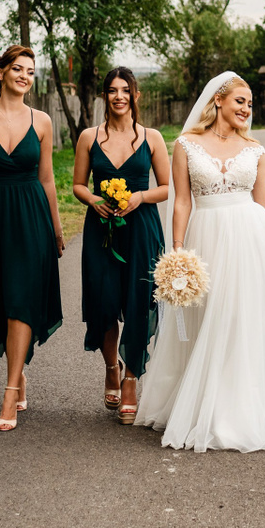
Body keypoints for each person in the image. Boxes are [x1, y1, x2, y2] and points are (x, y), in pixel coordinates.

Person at [134, 72, 265, 452]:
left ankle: (241, 407)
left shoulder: (255, 150)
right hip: (207, 239)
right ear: (218, 100)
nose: (246, 109)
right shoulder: (186, 145)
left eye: (250, 104)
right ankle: (206, 402)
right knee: (211, 318)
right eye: (240, 101)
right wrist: (177, 251)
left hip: (253, 241)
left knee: (241, 319)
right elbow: (182, 201)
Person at [0, 46, 66, 432]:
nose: (24, 76)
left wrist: (56, 229)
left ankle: (8, 392)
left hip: (32, 218)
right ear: (1, 72)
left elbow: (47, 179)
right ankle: (18, 375)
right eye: (17, 69)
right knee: (1, 300)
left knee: (21, 299)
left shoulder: (42, 121)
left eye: (31, 71)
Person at [71, 67, 171, 423]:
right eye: (112, 91)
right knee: (104, 302)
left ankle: (131, 380)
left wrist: (139, 197)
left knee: (138, 302)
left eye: (125, 90)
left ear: (135, 95)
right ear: (105, 96)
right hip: (101, 229)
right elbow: (78, 185)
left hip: (141, 229)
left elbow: (166, 187)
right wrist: (94, 200)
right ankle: (111, 366)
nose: (119, 97)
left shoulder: (152, 138)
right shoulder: (89, 137)